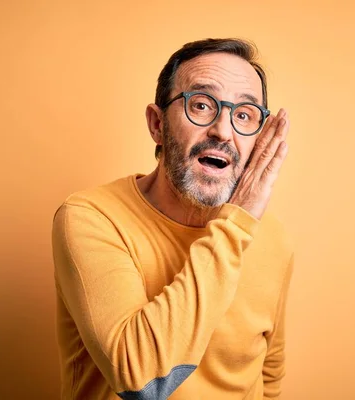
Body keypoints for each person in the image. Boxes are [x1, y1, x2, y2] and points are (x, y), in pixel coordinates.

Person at [51, 38, 293, 400]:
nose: (223, 132)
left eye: (244, 115)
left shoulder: (272, 238)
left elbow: (267, 373)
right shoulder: (91, 218)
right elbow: (141, 381)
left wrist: (241, 225)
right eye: (201, 105)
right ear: (156, 123)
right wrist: (236, 225)